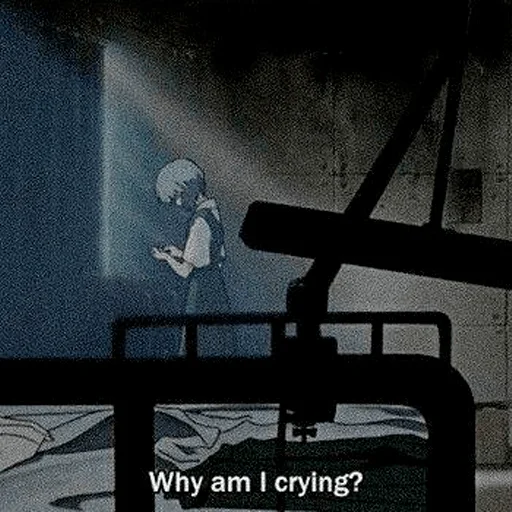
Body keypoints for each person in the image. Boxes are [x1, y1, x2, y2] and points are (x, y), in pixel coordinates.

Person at [152, 159, 233, 355]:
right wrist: (179, 253)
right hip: (215, 289)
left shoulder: (199, 222)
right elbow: (208, 256)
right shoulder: (212, 213)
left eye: (178, 196)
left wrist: (166, 258)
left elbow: (186, 270)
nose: (178, 204)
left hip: (202, 293)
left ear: (189, 188)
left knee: (199, 344)